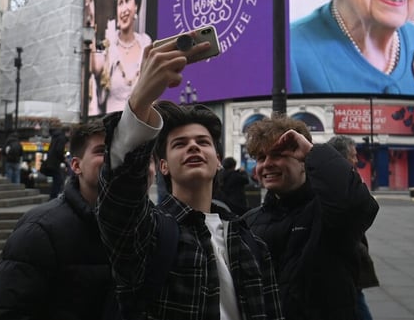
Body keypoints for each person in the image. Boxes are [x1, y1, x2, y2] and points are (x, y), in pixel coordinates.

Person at [97, 37, 284, 320]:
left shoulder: (251, 242)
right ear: (163, 166)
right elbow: (118, 200)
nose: (193, 147)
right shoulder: (150, 232)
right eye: (179, 144)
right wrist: (141, 100)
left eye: (203, 142)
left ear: (218, 160)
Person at [242, 119, 379, 320]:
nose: (267, 164)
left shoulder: (328, 213)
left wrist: (313, 152)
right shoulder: (248, 221)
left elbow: (358, 205)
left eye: (278, 155)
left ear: (304, 161)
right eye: (261, 157)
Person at [0, 120, 120, 319]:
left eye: (116, 150)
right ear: (76, 165)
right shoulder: (39, 230)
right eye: (101, 151)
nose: (112, 158)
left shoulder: (140, 225)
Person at [88, 0, 152, 115]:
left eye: (128, 1)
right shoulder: (108, 43)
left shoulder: (146, 44)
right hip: (111, 126)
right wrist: (91, 21)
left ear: (136, 6)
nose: (123, 8)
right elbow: (95, 67)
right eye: (120, 3)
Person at [327, 135, 380, 320]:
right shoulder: (337, 185)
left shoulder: (344, 181)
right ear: (341, 158)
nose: (356, 160)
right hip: (340, 267)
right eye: (353, 155)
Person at [41, 128, 69, 199]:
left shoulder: (55, 137)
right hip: (54, 163)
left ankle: (53, 196)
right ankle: (53, 197)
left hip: (51, 162)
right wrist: (64, 160)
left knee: (57, 180)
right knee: (58, 180)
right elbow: (59, 150)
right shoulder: (62, 138)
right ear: (67, 132)